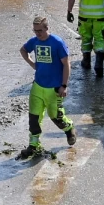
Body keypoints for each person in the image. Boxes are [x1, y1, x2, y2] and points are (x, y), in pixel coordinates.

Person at [18, 16, 75, 159]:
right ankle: (33, 146)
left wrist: (64, 85)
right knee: (34, 118)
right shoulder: (34, 41)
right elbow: (23, 50)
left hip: (54, 89)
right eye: (35, 31)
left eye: (40, 31)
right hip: (37, 86)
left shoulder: (57, 43)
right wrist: (33, 65)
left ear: (47, 28)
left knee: (56, 117)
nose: (38, 33)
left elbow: (66, 64)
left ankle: (69, 129)